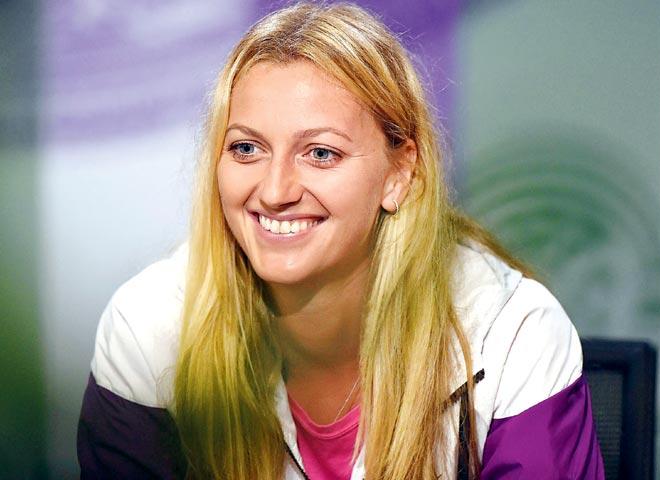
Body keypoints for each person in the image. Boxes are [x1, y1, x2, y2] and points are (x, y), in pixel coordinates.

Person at [77, 3, 604, 479]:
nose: (275, 190)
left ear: (401, 174)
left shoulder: (514, 335)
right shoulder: (149, 325)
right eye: (246, 148)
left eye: (321, 153)